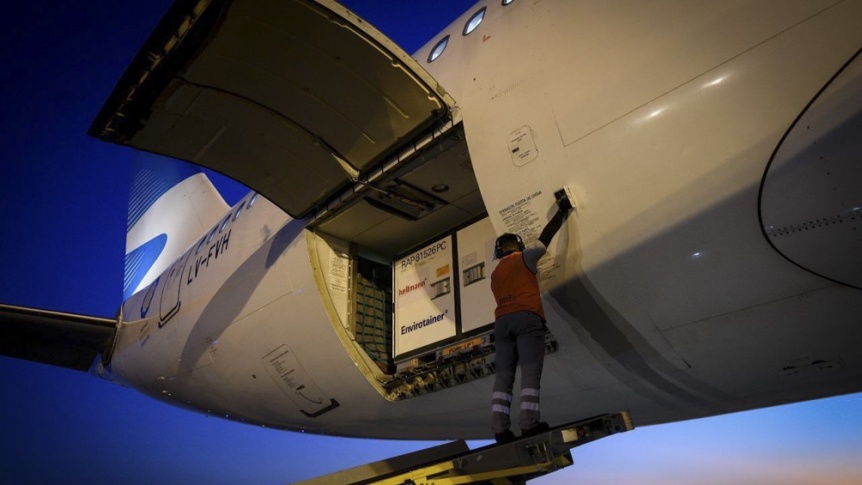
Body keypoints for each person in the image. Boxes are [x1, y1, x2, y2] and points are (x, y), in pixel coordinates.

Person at [490, 192, 573, 444]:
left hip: (502, 325)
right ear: (518, 247)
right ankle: (529, 425)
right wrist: (562, 210)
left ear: (498, 251)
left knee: (503, 378)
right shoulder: (524, 258)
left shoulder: (495, 274)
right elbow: (545, 238)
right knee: (529, 375)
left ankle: (500, 431)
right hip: (527, 320)